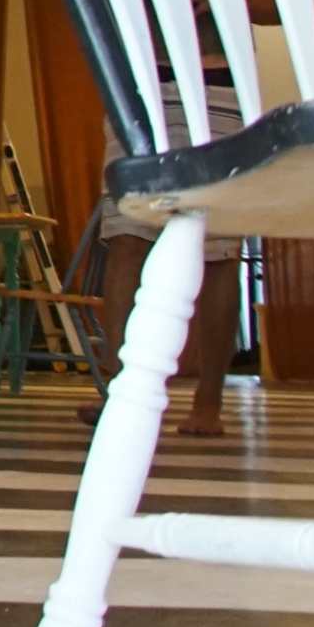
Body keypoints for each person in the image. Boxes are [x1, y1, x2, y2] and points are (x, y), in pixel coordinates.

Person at [82, 67, 245, 439]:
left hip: (214, 80)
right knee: (126, 237)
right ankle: (122, 393)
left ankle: (209, 402)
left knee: (217, 248)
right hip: (136, 85)